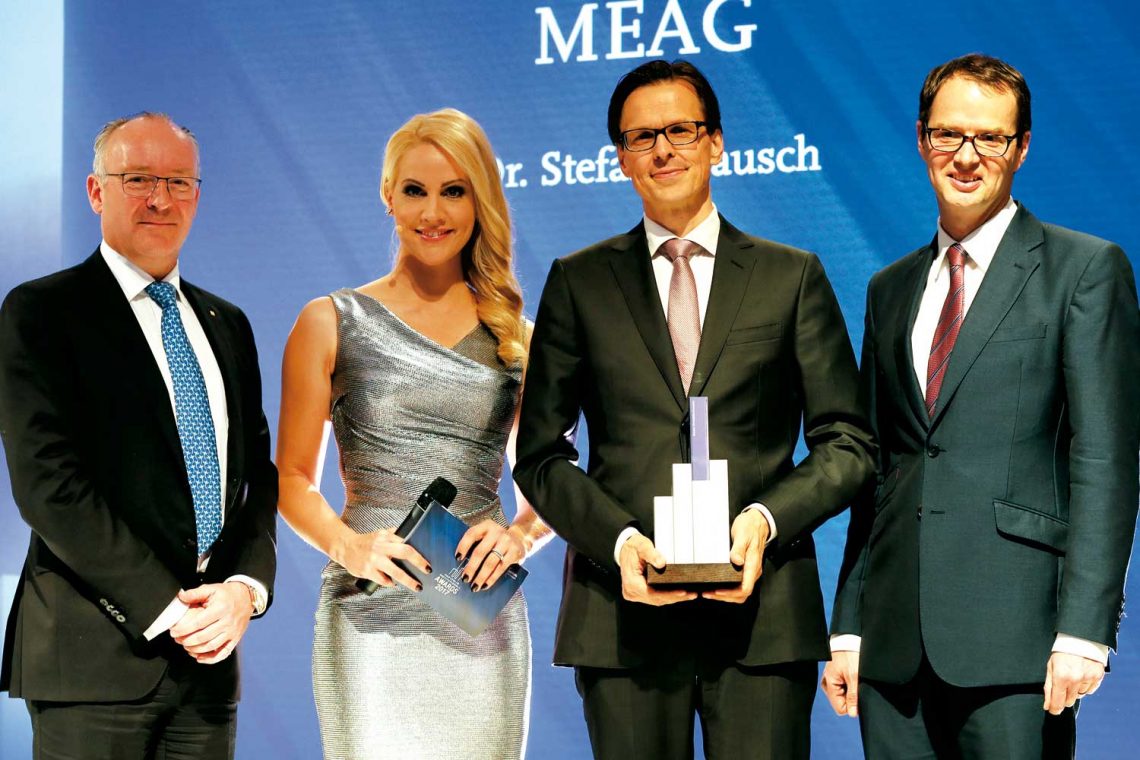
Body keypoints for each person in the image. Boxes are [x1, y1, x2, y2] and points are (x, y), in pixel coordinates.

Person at [513, 59, 875, 760]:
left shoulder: (790, 275)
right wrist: (619, 541)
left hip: (764, 614)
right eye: (642, 137)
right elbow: (540, 455)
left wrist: (764, 520)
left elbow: (847, 441)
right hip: (622, 613)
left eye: (681, 130)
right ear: (621, 158)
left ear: (716, 143)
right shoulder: (579, 282)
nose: (663, 149)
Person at [822, 53, 1140, 759]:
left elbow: (1106, 461)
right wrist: (850, 622)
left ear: (1020, 149)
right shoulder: (888, 288)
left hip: (1019, 641)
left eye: (990, 138)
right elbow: (880, 468)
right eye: (948, 134)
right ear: (921, 139)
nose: (966, 157)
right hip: (892, 648)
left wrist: (1085, 631)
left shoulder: (1085, 269)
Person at [0, 113, 278, 759]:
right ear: (96, 191)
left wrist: (245, 590)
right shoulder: (42, 311)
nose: (161, 199)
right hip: (90, 662)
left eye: (179, 182)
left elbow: (256, 481)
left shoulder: (227, 323)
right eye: (139, 179)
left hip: (209, 667)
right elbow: (48, 486)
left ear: (197, 195)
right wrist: (168, 608)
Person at [276, 107, 550, 760]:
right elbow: (289, 479)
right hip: (367, 614)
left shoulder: (518, 339)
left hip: (480, 619)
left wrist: (518, 537)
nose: (433, 212)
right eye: (415, 190)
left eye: (454, 191)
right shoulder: (329, 321)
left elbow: (550, 487)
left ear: (480, 201)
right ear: (388, 195)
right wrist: (348, 546)